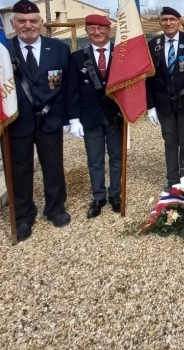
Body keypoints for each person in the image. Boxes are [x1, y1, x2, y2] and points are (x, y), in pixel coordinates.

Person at [6, 0, 71, 242]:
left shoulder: (59, 49)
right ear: (14, 23)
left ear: (42, 23)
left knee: (53, 166)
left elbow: (67, 87)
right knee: (19, 170)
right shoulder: (2, 49)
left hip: (50, 119)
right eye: (22, 21)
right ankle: (23, 216)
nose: (28, 25)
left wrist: (68, 118)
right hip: (16, 121)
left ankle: (55, 208)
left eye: (33, 20)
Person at [66, 14, 123, 218]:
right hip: (90, 117)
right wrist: (73, 119)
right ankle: (98, 196)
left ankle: (115, 194)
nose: (97, 32)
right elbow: (71, 90)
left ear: (109, 30)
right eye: (92, 29)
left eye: (101, 28)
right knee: (95, 159)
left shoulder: (122, 54)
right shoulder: (77, 57)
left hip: (117, 116)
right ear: (86, 31)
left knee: (117, 157)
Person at [146, 7, 184, 191]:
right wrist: (150, 106)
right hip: (163, 103)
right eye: (165, 19)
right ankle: (173, 180)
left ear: (179, 21)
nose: (168, 23)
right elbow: (148, 78)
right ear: (160, 22)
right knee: (170, 141)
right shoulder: (153, 44)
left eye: (172, 19)